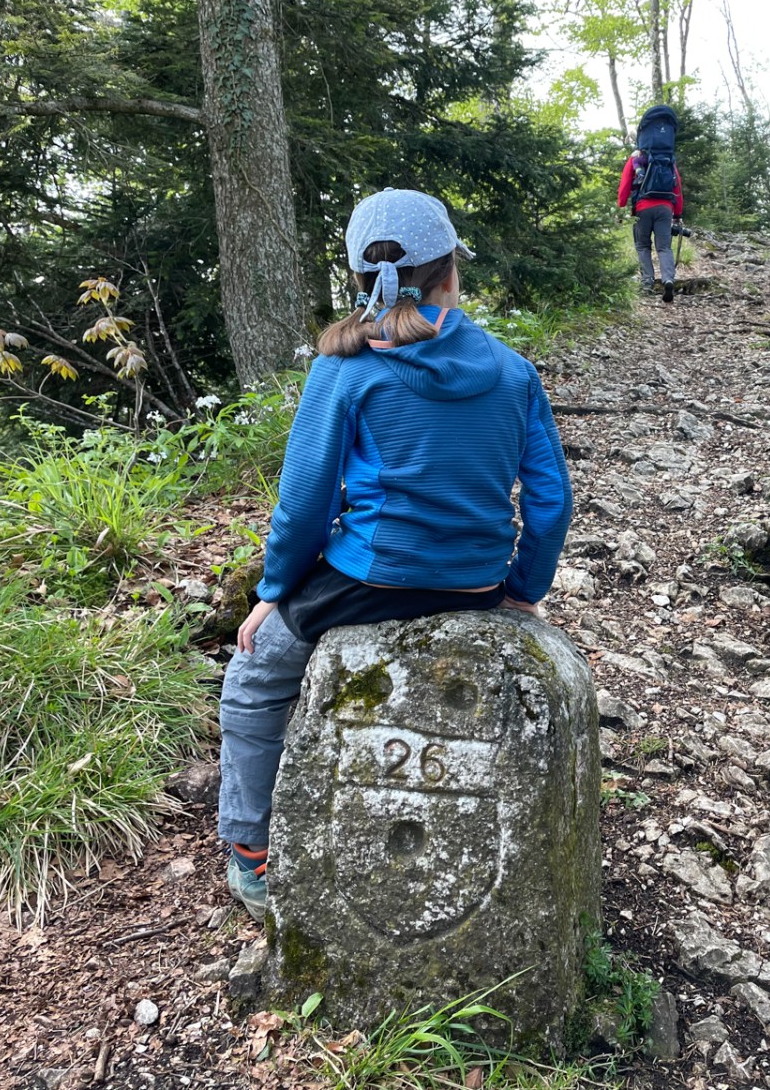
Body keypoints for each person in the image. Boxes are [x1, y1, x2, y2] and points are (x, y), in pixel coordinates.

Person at [216, 187, 573, 921]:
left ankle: (251, 853)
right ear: (451, 274)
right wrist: (521, 587)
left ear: (358, 277)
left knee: (253, 676)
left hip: (369, 578)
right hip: (476, 582)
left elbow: (305, 502)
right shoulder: (512, 372)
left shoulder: (346, 367)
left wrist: (275, 588)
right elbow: (550, 502)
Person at [617, 149, 684, 303]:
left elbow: (625, 183)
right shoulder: (668, 160)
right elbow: (677, 187)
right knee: (664, 247)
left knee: (642, 245)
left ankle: (647, 282)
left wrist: (620, 206)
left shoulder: (635, 159)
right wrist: (678, 213)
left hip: (643, 207)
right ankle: (668, 280)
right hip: (665, 207)